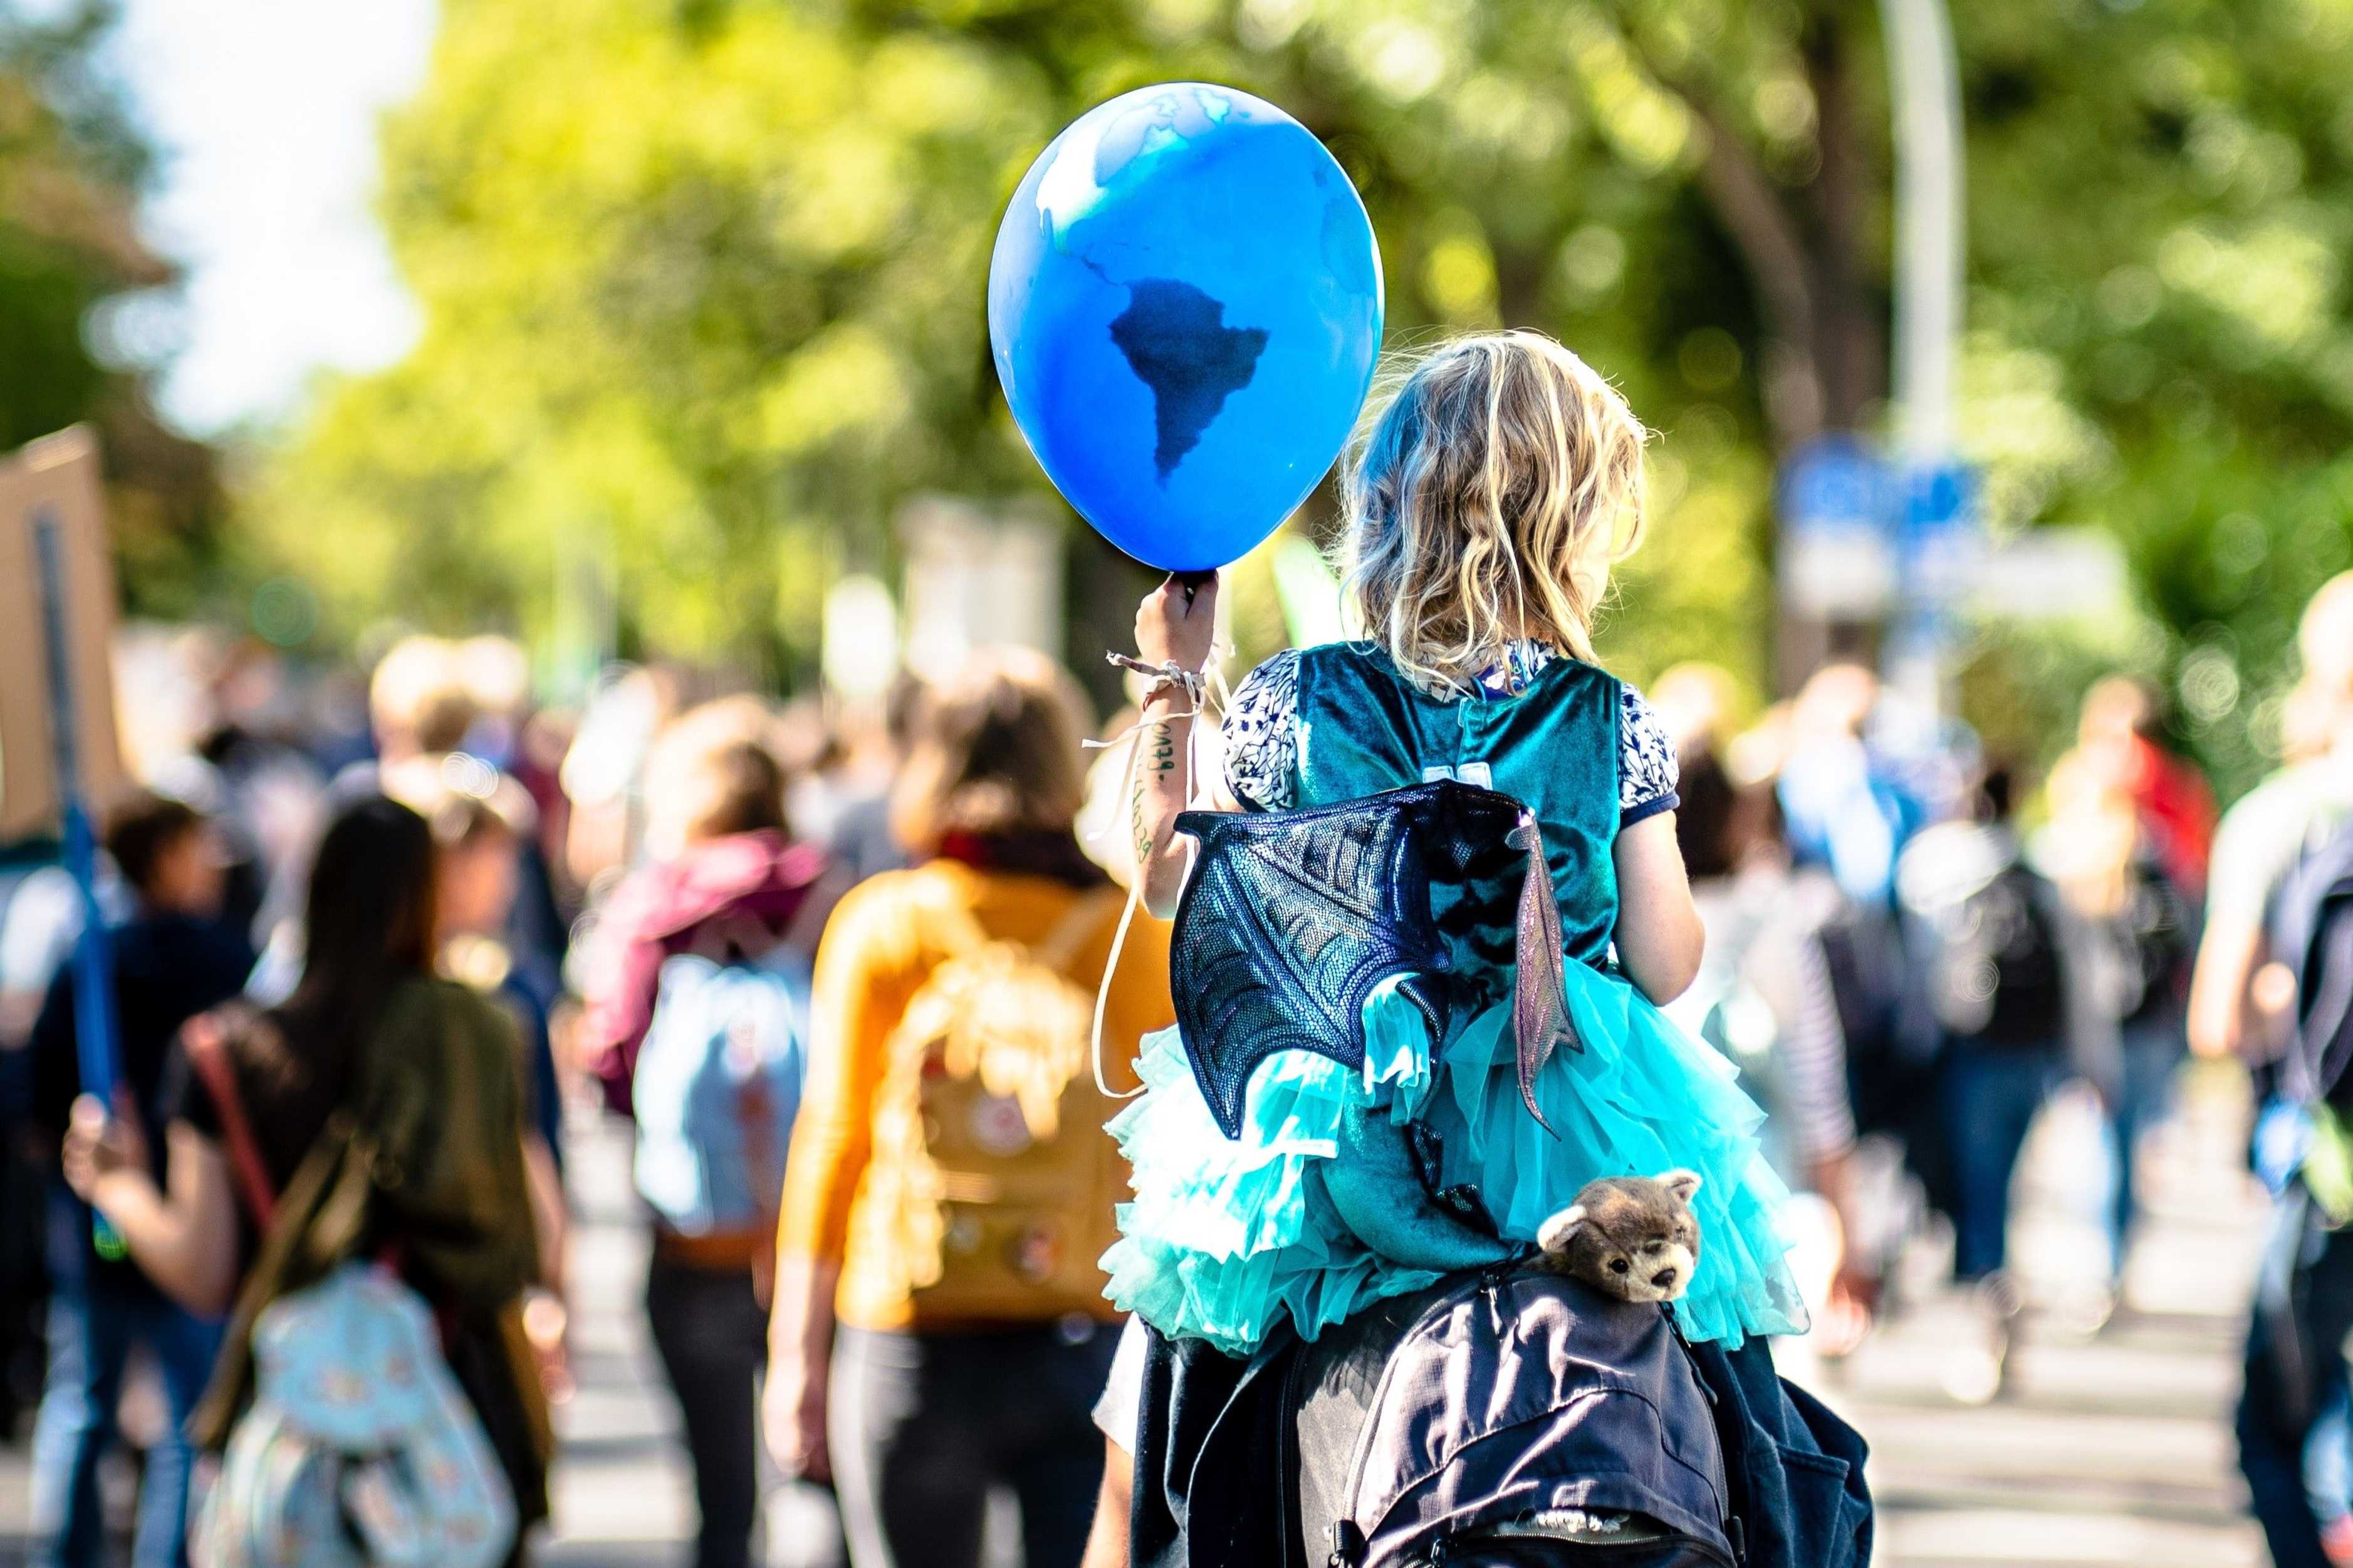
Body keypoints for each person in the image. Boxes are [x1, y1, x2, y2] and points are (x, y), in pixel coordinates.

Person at [1107, 332, 1852, 1565]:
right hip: (1567, 1133)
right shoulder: (1607, 718)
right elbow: (1667, 966)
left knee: (1196, 1375)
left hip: (1350, 1129)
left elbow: (1174, 877)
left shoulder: (1297, 699)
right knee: (1735, 1392)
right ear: (1564, 524)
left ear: (1391, 502)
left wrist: (1174, 685)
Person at [58, 796, 553, 1565]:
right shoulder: (477, 1034)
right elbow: (531, 1235)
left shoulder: (224, 1052)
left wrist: (115, 1186)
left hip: (296, 1425)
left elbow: (204, 1269)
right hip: (456, 1415)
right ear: (425, 894)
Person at [764, 650, 1174, 1568]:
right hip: (1085, 1328)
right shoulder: (1128, 933)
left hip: (910, 1326)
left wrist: (796, 1350)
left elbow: (833, 1137)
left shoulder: (886, 923)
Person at [575, 700, 838, 1568]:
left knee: (720, 1501)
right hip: (816, 1241)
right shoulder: (830, 889)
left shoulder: (654, 903)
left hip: (693, 1242)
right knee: (826, 1483)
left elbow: (610, 1063)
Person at [24, 792, 254, 1568]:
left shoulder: (96, 955)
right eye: (197, 847)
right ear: (165, 858)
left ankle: (75, 1553)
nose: (213, 865)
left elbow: (34, 1097)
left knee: (88, 1402)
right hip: (181, 1213)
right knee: (185, 1412)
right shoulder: (218, 963)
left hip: (108, 1213)